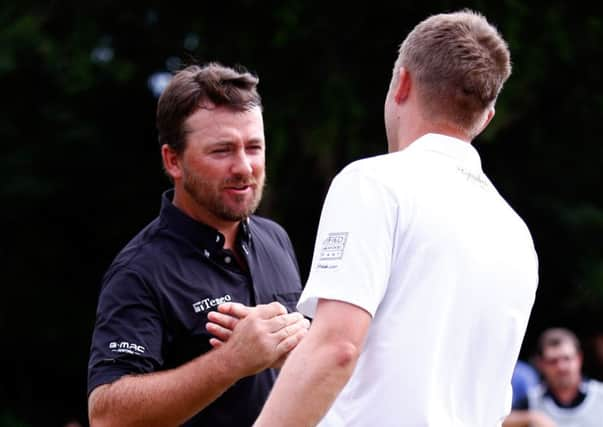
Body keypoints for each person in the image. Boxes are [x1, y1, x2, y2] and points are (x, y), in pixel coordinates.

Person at [211, 9, 539, 426]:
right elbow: (420, 365)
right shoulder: (515, 233)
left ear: (401, 82)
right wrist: (288, 342)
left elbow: (337, 349)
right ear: (485, 117)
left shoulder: (374, 183)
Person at [87, 62, 309, 427]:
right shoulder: (140, 270)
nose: (244, 167)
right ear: (172, 160)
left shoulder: (275, 239)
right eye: (222, 151)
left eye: (254, 147)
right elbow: (107, 415)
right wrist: (231, 362)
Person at [503, 328, 603, 427]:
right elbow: (499, 421)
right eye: (553, 361)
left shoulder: (600, 395)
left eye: (566, 358)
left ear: (579, 358)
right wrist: (530, 417)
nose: (561, 367)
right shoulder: (532, 401)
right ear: (541, 364)